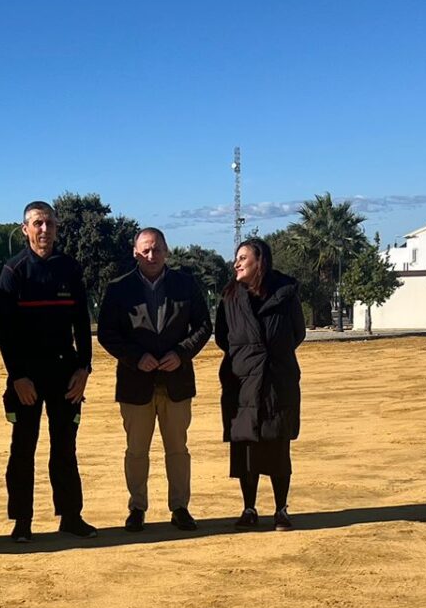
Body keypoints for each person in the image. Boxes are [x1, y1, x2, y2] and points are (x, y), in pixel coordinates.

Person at [95, 227, 214, 532]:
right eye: (145, 250)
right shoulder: (119, 288)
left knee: (178, 450)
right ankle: (137, 507)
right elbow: (107, 333)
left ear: (166, 251)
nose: (151, 255)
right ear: (135, 253)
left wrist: (182, 353)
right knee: (136, 452)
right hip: (136, 383)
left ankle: (180, 507)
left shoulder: (185, 284)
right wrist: (136, 357)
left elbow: (203, 326)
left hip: (177, 382)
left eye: (157, 249)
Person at [0, 200, 95, 541]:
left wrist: (84, 367)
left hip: (65, 373)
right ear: (25, 229)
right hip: (26, 377)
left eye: (49, 223)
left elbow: (83, 323)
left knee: (65, 448)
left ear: (56, 228)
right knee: (23, 448)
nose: (44, 229)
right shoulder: (13, 271)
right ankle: (22, 521)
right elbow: (4, 332)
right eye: (37, 223)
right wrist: (17, 376)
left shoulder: (70, 268)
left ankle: (70, 515)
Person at [214, 236, 305, 530]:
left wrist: (273, 355)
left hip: (277, 381)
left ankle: (281, 509)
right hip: (241, 381)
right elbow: (221, 337)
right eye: (236, 258)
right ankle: (249, 508)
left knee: (277, 446)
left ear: (259, 261)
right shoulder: (229, 297)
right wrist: (246, 356)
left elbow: (297, 333)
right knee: (246, 448)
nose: (236, 263)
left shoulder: (286, 292)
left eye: (242, 258)